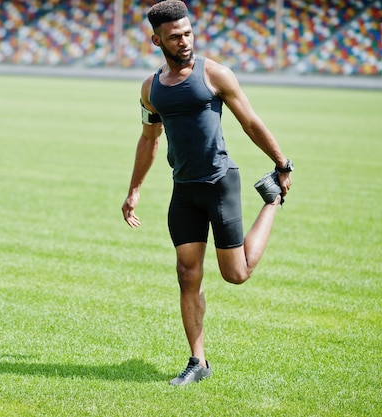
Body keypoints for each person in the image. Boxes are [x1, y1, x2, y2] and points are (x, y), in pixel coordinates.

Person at [121, 0, 293, 386]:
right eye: (174, 37)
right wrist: (134, 190)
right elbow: (149, 140)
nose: (184, 42)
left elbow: (250, 121)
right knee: (187, 274)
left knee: (237, 274)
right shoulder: (151, 90)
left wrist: (282, 164)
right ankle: (197, 362)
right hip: (183, 191)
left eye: (187, 33)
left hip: (219, 184)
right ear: (156, 40)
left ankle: (271, 201)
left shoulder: (215, 74)